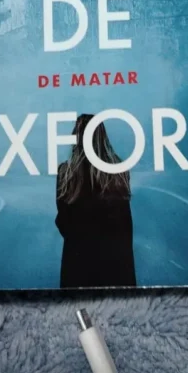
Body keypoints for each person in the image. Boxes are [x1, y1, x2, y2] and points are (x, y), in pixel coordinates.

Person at [55, 114, 137, 288]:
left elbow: (63, 222)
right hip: (115, 263)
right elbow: (125, 224)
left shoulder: (66, 173)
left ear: (76, 137)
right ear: (102, 136)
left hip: (78, 264)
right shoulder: (119, 169)